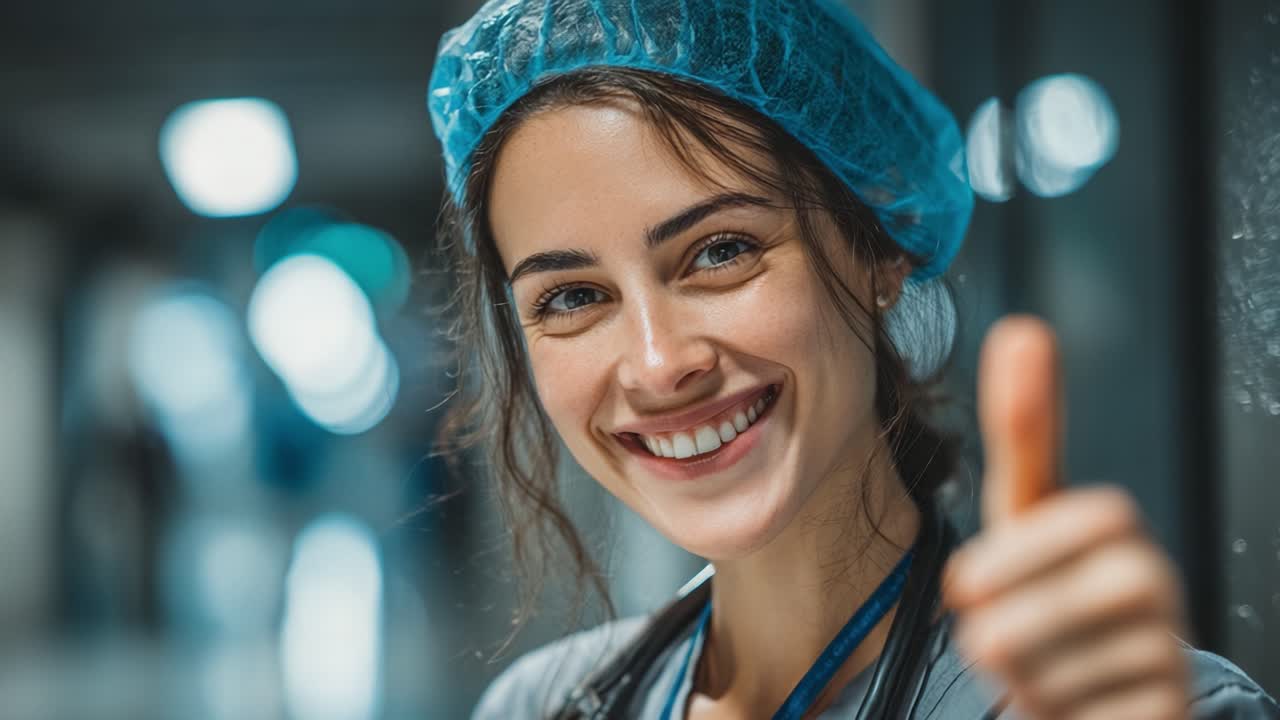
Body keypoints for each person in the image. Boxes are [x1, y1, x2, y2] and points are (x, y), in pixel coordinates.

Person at [426, 0, 1280, 717]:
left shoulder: (1124, 707)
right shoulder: (543, 703)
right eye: (572, 297)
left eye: (721, 250)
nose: (656, 365)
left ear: (878, 247)